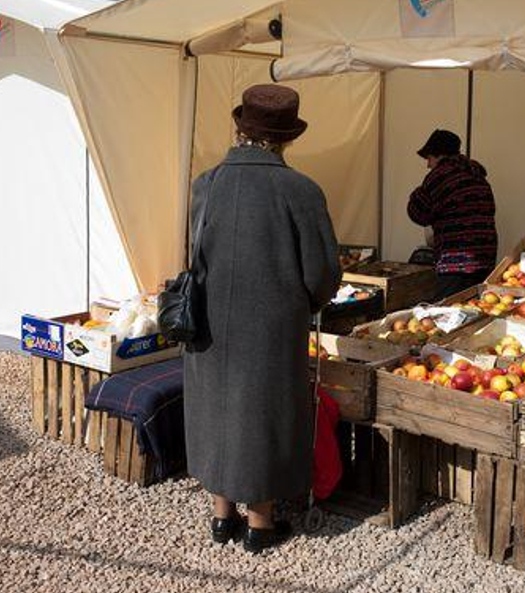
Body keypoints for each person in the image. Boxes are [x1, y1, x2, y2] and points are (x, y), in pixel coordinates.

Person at [183, 84, 342, 553]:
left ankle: (221, 518)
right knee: (264, 415)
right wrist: (305, 302)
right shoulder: (300, 190)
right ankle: (260, 524)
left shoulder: (206, 184)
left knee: (217, 408)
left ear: (240, 129)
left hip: (207, 321)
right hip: (272, 325)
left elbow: (196, 253)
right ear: (286, 138)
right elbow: (322, 274)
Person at [407, 129, 498, 300]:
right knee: (476, 311)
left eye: (429, 158)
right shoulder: (478, 175)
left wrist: (416, 193)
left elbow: (417, 213)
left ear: (439, 155)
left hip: (456, 263)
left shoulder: (439, 176)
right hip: (486, 258)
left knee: (447, 314)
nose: (428, 164)